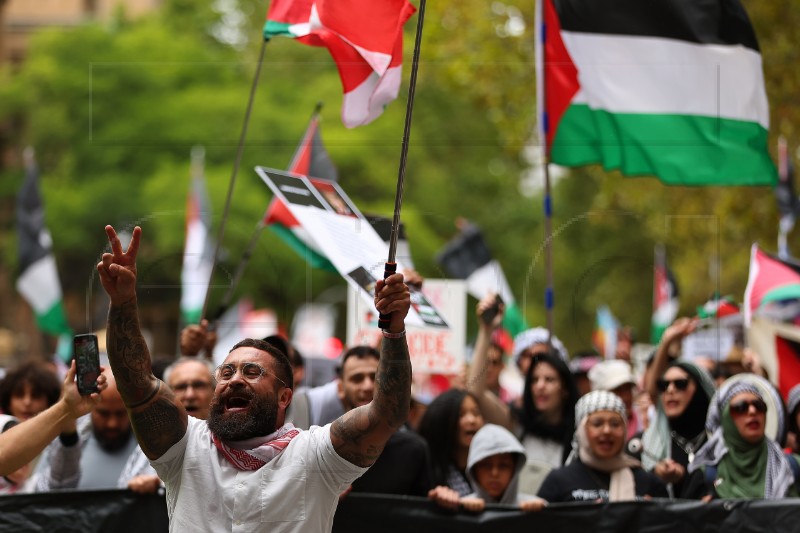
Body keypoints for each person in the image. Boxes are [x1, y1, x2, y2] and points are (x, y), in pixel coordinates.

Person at [97, 224, 412, 532]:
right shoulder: (185, 446)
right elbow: (136, 384)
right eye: (226, 372)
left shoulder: (317, 456)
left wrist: (394, 330)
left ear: (284, 397)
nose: (235, 380)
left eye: (252, 372)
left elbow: (386, 414)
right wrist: (123, 303)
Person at [467, 296, 579, 494]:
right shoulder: (517, 422)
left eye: (549, 380)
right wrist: (486, 331)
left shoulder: (581, 431)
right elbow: (475, 391)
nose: (540, 386)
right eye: (534, 380)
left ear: (565, 388)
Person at [36, 371, 158, 493]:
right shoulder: (64, 442)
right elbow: (44, 492)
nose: (112, 423)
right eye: (104, 413)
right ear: (90, 407)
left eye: (120, 414)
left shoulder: (154, 450)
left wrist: (155, 485)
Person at [537, 390, 667, 503]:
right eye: (597, 423)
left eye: (615, 424)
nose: (607, 431)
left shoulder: (649, 483)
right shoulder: (559, 481)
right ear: (581, 431)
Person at [337, 345, 432, 497]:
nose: (367, 386)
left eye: (375, 378)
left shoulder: (414, 450)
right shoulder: (321, 447)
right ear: (341, 388)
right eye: (357, 378)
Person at [640, 318, 717, 498]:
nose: (670, 390)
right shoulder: (647, 446)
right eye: (664, 386)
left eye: (680, 384)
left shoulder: (720, 441)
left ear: (700, 390)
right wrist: (657, 477)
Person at [690, 376, 799, 499]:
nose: (752, 411)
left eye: (759, 406)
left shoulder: (792, 468)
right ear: (726, 419)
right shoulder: (706, 475)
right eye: (741, 407)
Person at [0, 360, 106, 477]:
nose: (27, 402)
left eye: (36, 396)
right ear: (8, 401)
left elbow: (59, 483)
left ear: (49, 400)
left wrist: (67, 411)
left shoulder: (57, 444)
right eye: (19, 395)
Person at [428, 423, 546, 513]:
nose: (494, 473)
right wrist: (448, 509)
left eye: (503, 465)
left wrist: (542, 517)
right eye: (486, 465)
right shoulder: (459, 508)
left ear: (515, 468)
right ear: (474, 469)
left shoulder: (534, 507)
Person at [417, 388, 484, 496]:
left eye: (476, 413)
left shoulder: (486, 466)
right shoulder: (427, 470)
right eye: (461, 414)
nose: (472, 420)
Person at [588, 359, 642, 439]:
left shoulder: (645, 424)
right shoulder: (587, 429)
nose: (626, 397)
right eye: (618, 390)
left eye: (628, 389)